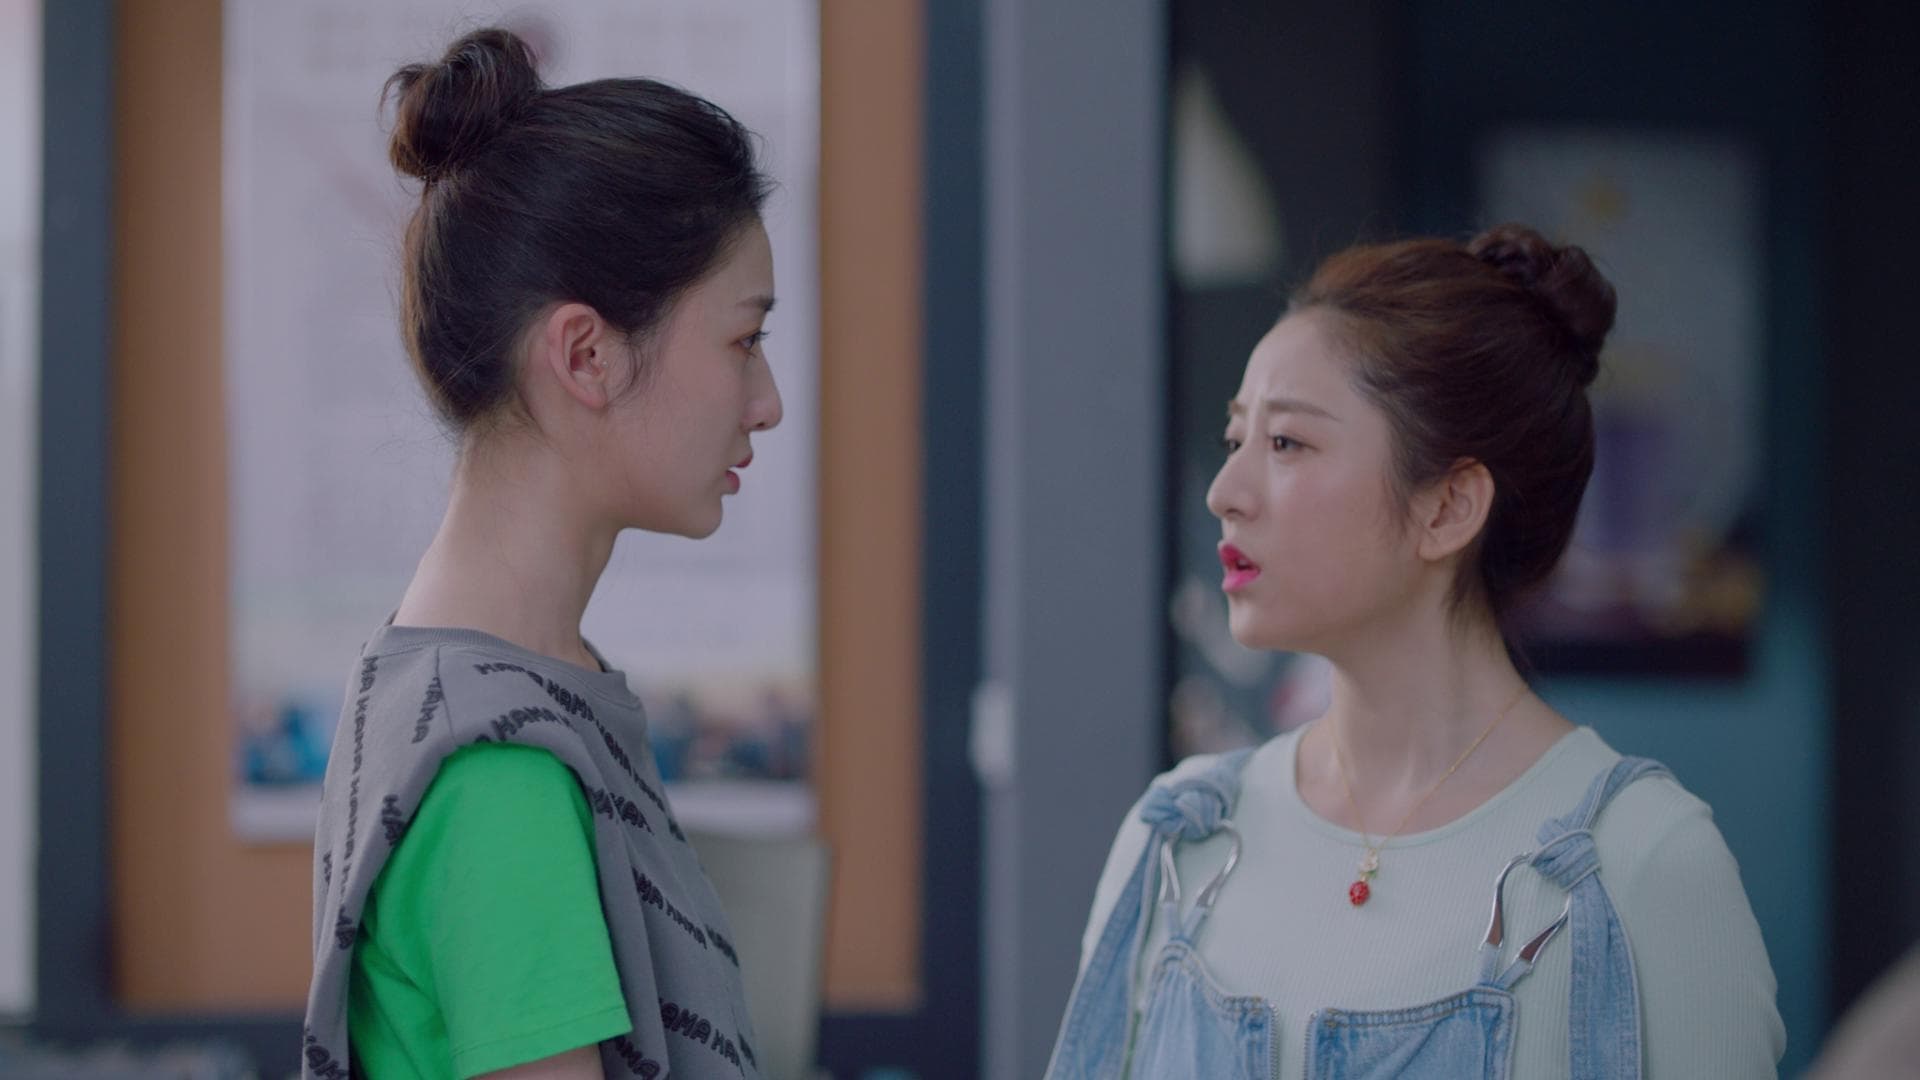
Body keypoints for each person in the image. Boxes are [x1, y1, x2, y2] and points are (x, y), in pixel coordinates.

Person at [1047, 225, 1785, 1078]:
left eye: (1286, 443)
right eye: (1235, 438)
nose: (1225, 492)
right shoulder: (1179, 845)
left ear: (1448, 508)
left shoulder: (1644, 866)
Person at [302, 27, 781, 1080]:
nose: (768, 402)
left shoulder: (463, 684)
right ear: (585, 354)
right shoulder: (499, 771)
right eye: (744, 340)